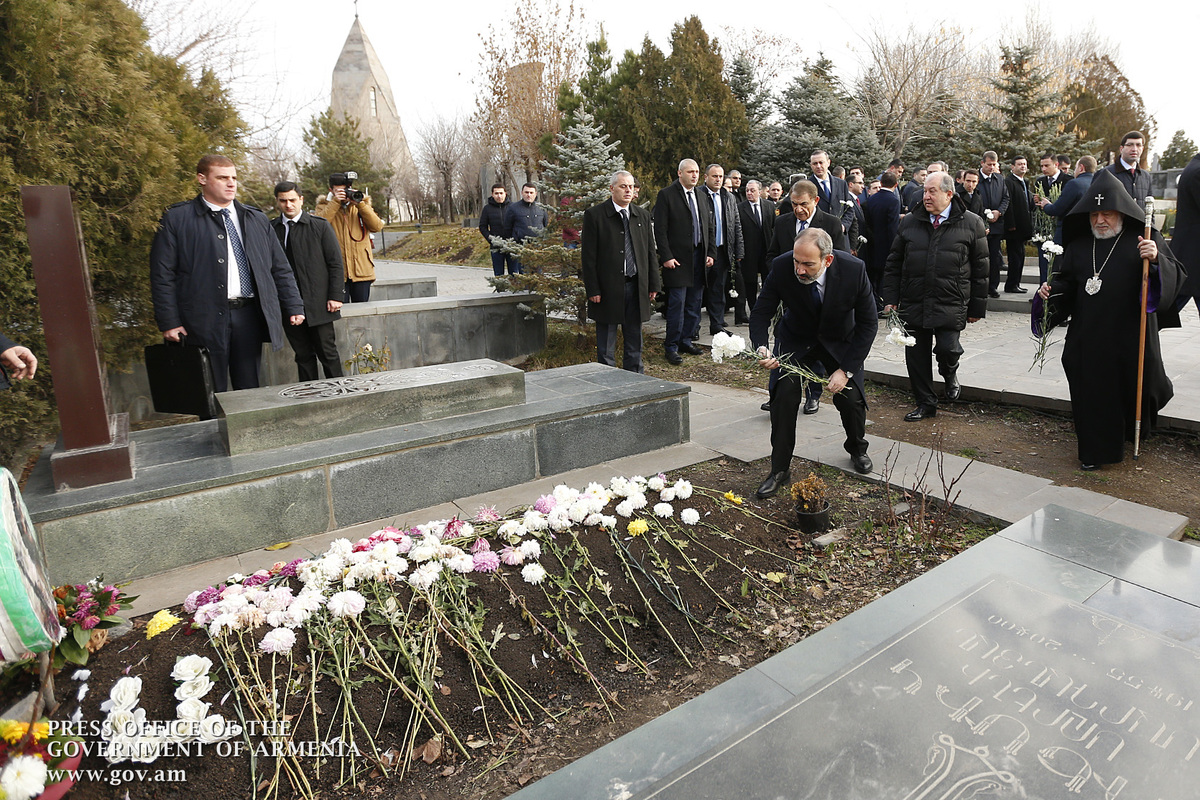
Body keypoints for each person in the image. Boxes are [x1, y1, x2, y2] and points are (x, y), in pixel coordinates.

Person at [1035, 168, 1185, 469]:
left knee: (1139, 388)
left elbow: (1176, 274)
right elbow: (1067, 283)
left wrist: (1156, 259)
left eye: (1107, 214)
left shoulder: (1143, 239)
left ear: (1121, 213)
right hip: (1087, 335)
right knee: (1091, 390)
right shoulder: (1079, 245)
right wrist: (1050, 292)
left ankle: (1131, 431)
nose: (1100, 220)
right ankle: (1095, 452)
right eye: (1094, 214)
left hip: (1130, 334)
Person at [150, 154, 305, 393]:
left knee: (249, 389)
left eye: (233, 177)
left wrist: (293, 305)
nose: (231, 183)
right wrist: (170, 322)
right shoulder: (177, 219)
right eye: (222, 178)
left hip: (248, 316)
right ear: (202, 179)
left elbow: (279, 267)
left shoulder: (255, 218)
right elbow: (162, 274)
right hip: (202, 319)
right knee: (209, 390)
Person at [750, 228, 877, 498]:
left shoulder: (854, 270)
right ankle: (779, 469)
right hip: (796, 340)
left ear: (827, 260)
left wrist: (845, 370)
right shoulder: (782, 266)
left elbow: (869, 324)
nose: (799, 270)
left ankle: (857, 448)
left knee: (851, 398)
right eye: (796, 261)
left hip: (839, 341)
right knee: (784, 396)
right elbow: (761, 312)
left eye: (808, 264)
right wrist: (761, 347)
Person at [881, 171, 989, 421]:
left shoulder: (971, 223)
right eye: (924, 191)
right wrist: (891, 299)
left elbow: (982, 269)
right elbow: (894, 263)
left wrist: (976, 308)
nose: (926, 196)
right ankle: (925, 403)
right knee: (916, 356)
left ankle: (949, 373)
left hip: (950, 301)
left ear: (949, 194)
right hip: (914, 300)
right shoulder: (910, 221)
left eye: (932, 191)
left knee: (948, 349)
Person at [581, 171, 660, 373]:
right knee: (606, 341)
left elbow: (650, 253)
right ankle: (608, 379)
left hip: (635, 286)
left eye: (631, 187)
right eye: (623, 186)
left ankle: (635, 377)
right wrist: (593, 289)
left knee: (634, 338)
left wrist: (653, 284)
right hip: (607, 288)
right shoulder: (595, 215)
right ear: (612, 188)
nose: (628, 190)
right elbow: (588, 257)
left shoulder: (642, 215)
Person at [272, 181, 345, 382]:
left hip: (320, 303)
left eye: (292, 200)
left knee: (328, 353)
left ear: (301, 200)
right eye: (283, 201)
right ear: (277, 201)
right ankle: (310, 394)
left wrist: (335, 296)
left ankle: (340, 393)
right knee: (303, 355)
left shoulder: (319, 226)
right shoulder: (271, 229)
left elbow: (335, 263)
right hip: (289, 304)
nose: (288, 205)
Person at [653, 159, 715, 365]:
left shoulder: (701, 195)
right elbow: (660, 229)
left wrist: (710, 252)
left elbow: (709, 227)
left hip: (699, 257)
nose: (694, 175)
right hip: (677, 260)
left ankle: (686, 340)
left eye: (697, 171)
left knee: (694, 303)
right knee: (677, 304)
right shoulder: (667, 195)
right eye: (690, 172)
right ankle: (671, 346)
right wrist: (666, 256)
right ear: (680, 173)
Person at [317, 172, 384, 302]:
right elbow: (318, 227)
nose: (344, 194)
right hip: (337, 272)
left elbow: (377, 226)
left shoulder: (361, 204)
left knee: (363, 308)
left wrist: (360, 205)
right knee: (341, 310)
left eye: (346, 190)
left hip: (361, 269)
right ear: (331, 190)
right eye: (339, 191)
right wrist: (335, 202)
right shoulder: (324, 206)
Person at [701, 164, 744, 336]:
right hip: (703, 251)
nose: (718, 179)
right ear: (706, 177)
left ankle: (717, 325)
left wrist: (739, 251)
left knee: (718, 290)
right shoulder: (699, 195)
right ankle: (692, 328)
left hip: (722, 250)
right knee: (698, 291)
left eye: (720, 176)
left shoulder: (729, 197)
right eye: (714, 176)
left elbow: (736, 224)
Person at [1036, 156, 1097, 267]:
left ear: (1081, 168)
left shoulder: (1075, 184)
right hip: (1089, 233)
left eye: (1076, 167)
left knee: (1060, 267)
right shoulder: (1096, 183)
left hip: (1068, 234)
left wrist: (1046, 205)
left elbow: (1056, 209)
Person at [862, 171, 901, 309]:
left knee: (874, 276)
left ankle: (874, 303)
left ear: (881, 183)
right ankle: (884, 303)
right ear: (896, 185)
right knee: (885, 276)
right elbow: (892, 226)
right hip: (887, 245)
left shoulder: (871, 199)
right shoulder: (894, 200)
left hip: (872, 243)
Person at [736, 180, 775, 321]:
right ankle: (753, 310)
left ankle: (768, 309)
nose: (749, 193)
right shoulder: (740, 208)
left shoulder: (769, 206)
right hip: (749, 252)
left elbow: (773, 227)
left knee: (768, 280)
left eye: (752, 190)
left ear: (760, 191)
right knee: (750, 282)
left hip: (766, 251)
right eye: (747, 190)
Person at [1035, 154, 1074, 283]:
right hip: (1044, 230)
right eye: (1041, 166)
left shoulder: (1069, 180)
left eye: (1047, 165)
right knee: (1043, 263)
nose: (1043, 169)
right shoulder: (1040, 181)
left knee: (1059, 264)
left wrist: (1053, 207)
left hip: (1062, 228)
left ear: (1056, 165)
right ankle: (1043, 288)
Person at [977, 151, 1010, 298]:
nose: (991, 167)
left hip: (996, 226)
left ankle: (993, 287)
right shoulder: (975, 179)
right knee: (979, 258)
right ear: (982, 163)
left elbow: (1006, 198)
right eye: (989, 164)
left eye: (994, 164)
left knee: (995, 258)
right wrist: (985, 213)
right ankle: (980, 287)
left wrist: (999, 212)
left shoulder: (999, 179)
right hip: (979, 225)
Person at [1170, 151, 1200, 312]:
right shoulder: (1197, 172)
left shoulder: (1194, 167)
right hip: (1193, 256)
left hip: (1190, 255)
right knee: (1168, 311)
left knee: (1170, 308)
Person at [1003, 156, 1034, 294]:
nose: (1023, 166)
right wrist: (1011, 225)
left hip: (1023, 226)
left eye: (1024, 164)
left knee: (1020, 256)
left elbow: (1027, 203)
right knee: (1015, 257)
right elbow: (1008, 204)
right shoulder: (1009, 182)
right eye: (1020, 164)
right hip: (1014, 228)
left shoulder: (1024, 182)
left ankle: (1016, 283)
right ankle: (1011, 285)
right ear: (1012, 167)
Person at [503, 183, 548, 274]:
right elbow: (507, 227)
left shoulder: (541, 208)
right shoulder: (513, 208)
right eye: (526, 192)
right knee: (524, 276)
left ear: (535, 194)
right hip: (521, 249)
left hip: (538, 249)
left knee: (539, 276)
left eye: (531, 192)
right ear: (522, 193)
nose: (529, 195)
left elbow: (545, 225)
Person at [809, 150, 856, 236]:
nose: (818, 166)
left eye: (821, 162)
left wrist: (843, 226)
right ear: (811, 165)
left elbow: (850, 208)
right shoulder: (807, 185)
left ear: (828, 162)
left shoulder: (841, 183)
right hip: (818, 236)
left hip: (840, 236)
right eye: (815, 163)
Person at [1105, 131, 1152, 210]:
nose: (1134, 149)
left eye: (1138, 145)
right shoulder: (1106, 173)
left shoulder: (1146, 177)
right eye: (1130, 145)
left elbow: (1150, 206)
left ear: (1142, 149)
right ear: (1121, 149)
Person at [479, 184, 515, 276]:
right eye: (496, 193)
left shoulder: (513, 207)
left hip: (512, 245)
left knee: (514, 274)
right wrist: (491, 239)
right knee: (499, 275)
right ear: (492, 194)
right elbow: (482, 226)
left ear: (505, 193)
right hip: (496, 247)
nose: (499, 196)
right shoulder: (487, 209)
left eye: (501, 193)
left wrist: (515, 238)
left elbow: (518, 224)